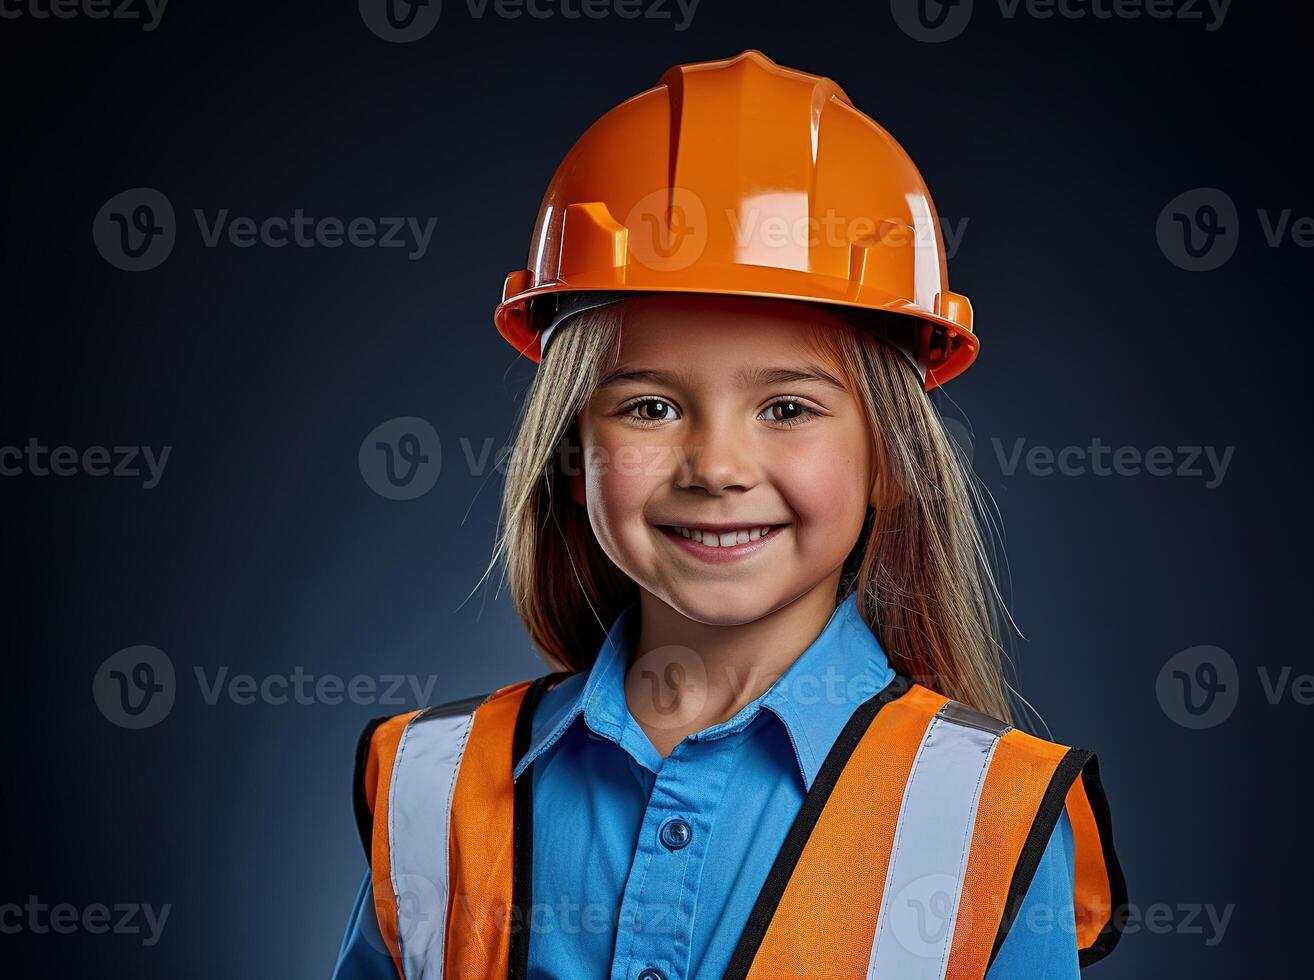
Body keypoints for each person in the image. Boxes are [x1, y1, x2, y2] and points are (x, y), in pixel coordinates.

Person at [332, 49, 1125, 980]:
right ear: (572, 456)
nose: (715, 467)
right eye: (650, 407)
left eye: (787, 408)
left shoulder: (992, 813)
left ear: (891, 460)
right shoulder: (436, 785)